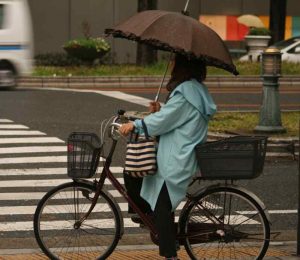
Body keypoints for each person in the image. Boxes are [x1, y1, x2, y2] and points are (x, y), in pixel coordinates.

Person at [119, 54, 217, 260]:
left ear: (183, 66)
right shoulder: (195, 89)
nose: (171, 64)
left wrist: (136, 124)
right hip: (180, 153)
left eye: (174, 61)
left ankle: (170, 253)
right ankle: (160, 229)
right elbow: (174, 117)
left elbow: (166, 120)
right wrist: (159, 110)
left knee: (161, 206)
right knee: (146, 187)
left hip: (176, 158)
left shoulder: (186, 92)